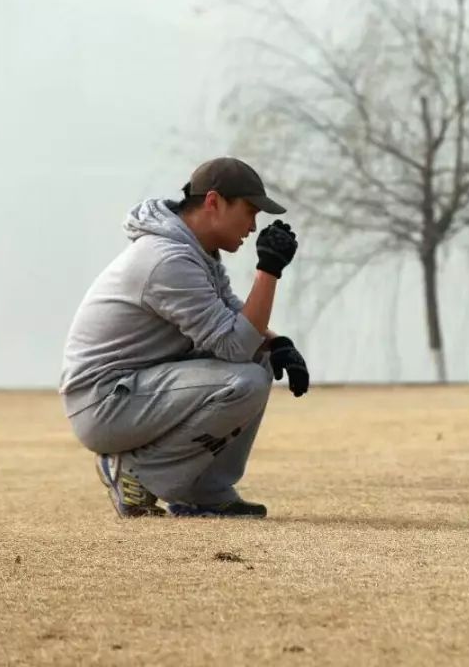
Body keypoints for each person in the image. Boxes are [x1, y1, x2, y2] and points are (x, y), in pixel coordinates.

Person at [59, 157, 309, 518]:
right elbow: (234, 345)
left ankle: (205, 491)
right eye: (250, 211)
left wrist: (278, 343)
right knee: (247, 376)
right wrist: (268, 271)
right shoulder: (167, 260)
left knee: (261, 358)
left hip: (132, 392)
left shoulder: (196, 252)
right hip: (104, 404)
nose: (254, 226)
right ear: (213, 202)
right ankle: (136, 473)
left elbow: (237, 321)